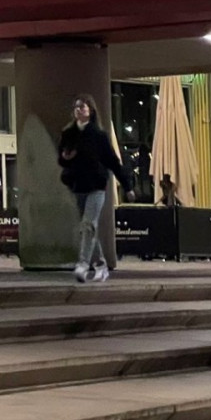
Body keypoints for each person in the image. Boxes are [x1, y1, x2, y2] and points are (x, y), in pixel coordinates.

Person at [58, 94, 132, 285]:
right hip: (78, 185)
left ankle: (83, 264)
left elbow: (113, 162)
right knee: (89, 228)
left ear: (91, 111)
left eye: (83, 107)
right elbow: (61, 158)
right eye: (76, 107)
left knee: (88, 224)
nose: (79, 110)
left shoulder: (98, 136)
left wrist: (127, 185)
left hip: (97, 185)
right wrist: (66, 157)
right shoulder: (68, 133)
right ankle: (100, 266)